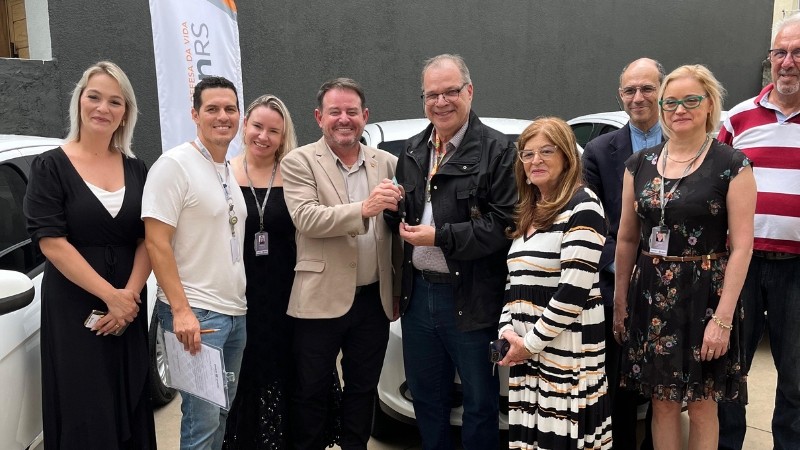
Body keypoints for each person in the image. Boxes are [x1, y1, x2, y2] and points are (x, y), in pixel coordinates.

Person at [614, 65, 756, 450]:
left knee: (701, 405)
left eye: (691, 100)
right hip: (650, 298)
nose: (680, 109)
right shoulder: (638, 164)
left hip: (706, 299)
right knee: (661, 403)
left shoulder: (733, 164)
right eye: (671, 102)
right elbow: (627, 239)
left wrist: (722, 321)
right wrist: (620, 302)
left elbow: (743, 246)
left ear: (709, 105)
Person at [384, 54, 517, 449]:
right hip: (418, 295)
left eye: (451, 92)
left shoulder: (497, 151)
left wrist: (439, 236)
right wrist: (392, 213)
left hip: (473, 295)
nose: (441, 102)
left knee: (479, 401)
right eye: (432, 95)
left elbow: (503, 225)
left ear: (469, 92)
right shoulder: (411, 151)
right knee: (427, 398)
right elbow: (404, 222)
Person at [23, 61, 156, 449]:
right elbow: (52, 244)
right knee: (85, 403)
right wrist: (110, 297)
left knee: (130, 393)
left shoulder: (137, 168)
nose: (103, 108)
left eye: (115, 102)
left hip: (129, 304)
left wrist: (128, 297)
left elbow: (149, 239)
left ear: (125, 113)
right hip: (75, 304)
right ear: (79, 101)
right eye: (94, 97)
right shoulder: (50, 166)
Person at [281, 78, 401, 450]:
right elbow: (307, 218)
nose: (343, 119)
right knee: (311, 389)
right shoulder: (298, 161)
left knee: (363, 390)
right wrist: (364, 209)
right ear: (319, 117)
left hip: (373, 301)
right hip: (319, 298)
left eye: (352, 112)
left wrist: (397, 291)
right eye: (335, 112)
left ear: (365, 116)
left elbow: (398, 234)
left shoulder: (389, 164)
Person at [221, 94, 340, 449]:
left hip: (290, 294)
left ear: (284, 134)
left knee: (294, 373)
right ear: (245, 126)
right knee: (247, 374)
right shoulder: (223, 173)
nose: (263, 136)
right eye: (257, 126)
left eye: (274, 130)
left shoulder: (296, 174)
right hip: (240, 293)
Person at [142, 76, 248, 450]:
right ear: (195, 114)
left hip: (233, 315)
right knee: (202, 423)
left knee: (221, 414)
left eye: (230, 109)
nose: (223, 116)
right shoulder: (173, 165)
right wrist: (183, 312)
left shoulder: (225, 169)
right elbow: (156, 242)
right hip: (196, 319)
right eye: (212, 109)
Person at [497, 116, 612, 450]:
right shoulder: (530, 210)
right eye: (527, 154)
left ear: (566, 156)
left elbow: (572, 293)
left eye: (546, 151)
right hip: (527, 353)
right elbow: (513, 280)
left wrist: (529, 343)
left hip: (566, 354)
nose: (535, 161)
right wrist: (506, 332)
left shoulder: (584, 205)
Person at [716, 13, 800, 450]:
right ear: (769, 60)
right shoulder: (738, 119)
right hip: (740, 266)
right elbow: (712, 186)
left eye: (798, 52)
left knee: (797, 378)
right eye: (780, 53)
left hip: (797, 271)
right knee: (731, 371)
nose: (788, 62)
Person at [582, 57, 665, 450]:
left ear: (662, 91)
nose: (638, 97)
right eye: (630, 90)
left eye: (647, 88)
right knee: (619, 383)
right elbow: (590, 221)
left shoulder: (690, 144)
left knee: (666, 382)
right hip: (617, 282)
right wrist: (627, 265)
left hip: (676, 281)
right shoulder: (599, 151)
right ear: (620, 96)